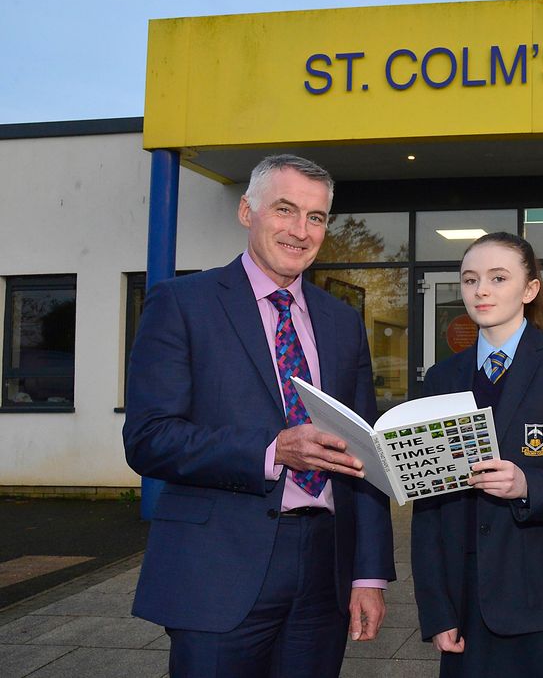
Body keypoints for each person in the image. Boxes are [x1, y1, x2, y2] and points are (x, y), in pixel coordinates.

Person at [123, 154, 395, 677]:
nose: (300, 230)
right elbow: (148, 438)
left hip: (324, 572)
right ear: (247, 211)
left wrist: (369, 574)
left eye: (315, 217)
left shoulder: (341, 321)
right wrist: (272, 451)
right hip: (217, 569)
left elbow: (367, 452)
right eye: (285, 210)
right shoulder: (180, 304)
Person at [410, 231, 543, 677]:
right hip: (468, 599)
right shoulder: (442, 377)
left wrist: (526, 485)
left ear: (530, 289)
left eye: (498, 278)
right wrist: (438, 610)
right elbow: (430, 508)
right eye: (470, 279)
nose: (481, 290)